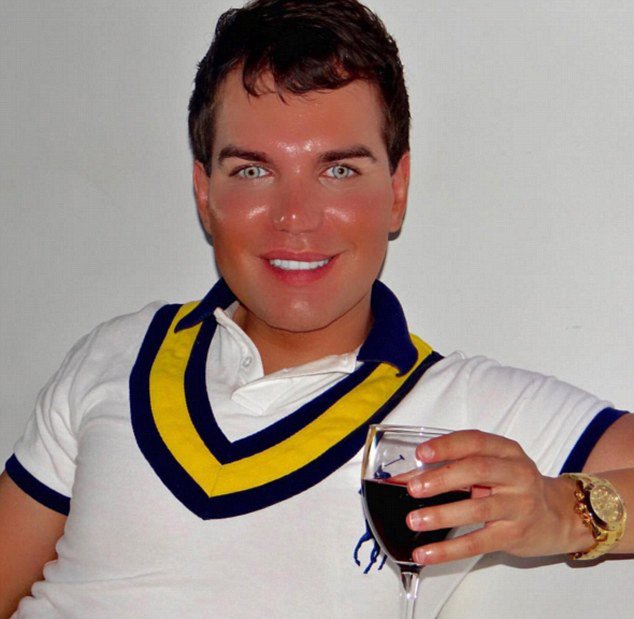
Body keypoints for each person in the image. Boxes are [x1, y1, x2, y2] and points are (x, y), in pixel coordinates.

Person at [1, 0, 633, 617]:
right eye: (253, 171)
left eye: (339, 171)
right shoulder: (117, 353)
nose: (295, 218)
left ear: (397, 191)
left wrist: (565, 512)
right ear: (204, 192)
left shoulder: (461, 409)